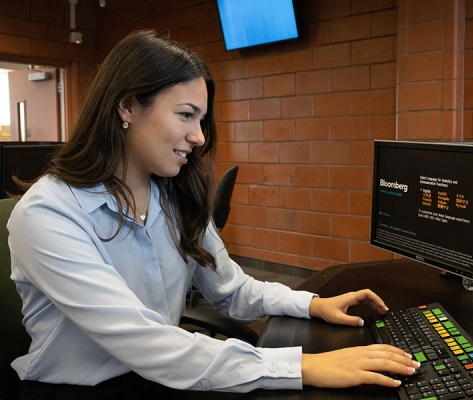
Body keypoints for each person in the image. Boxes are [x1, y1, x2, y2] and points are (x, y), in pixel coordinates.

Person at [8, 30, 420, 399]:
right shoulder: (48, 214)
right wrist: (302, 366)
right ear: (127, 107)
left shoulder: (173, 196)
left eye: (202, 120)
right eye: (186, 115)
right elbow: (142, 339)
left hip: (162, 373)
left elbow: (231, 289)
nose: (200, 136)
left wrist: (311, 304)